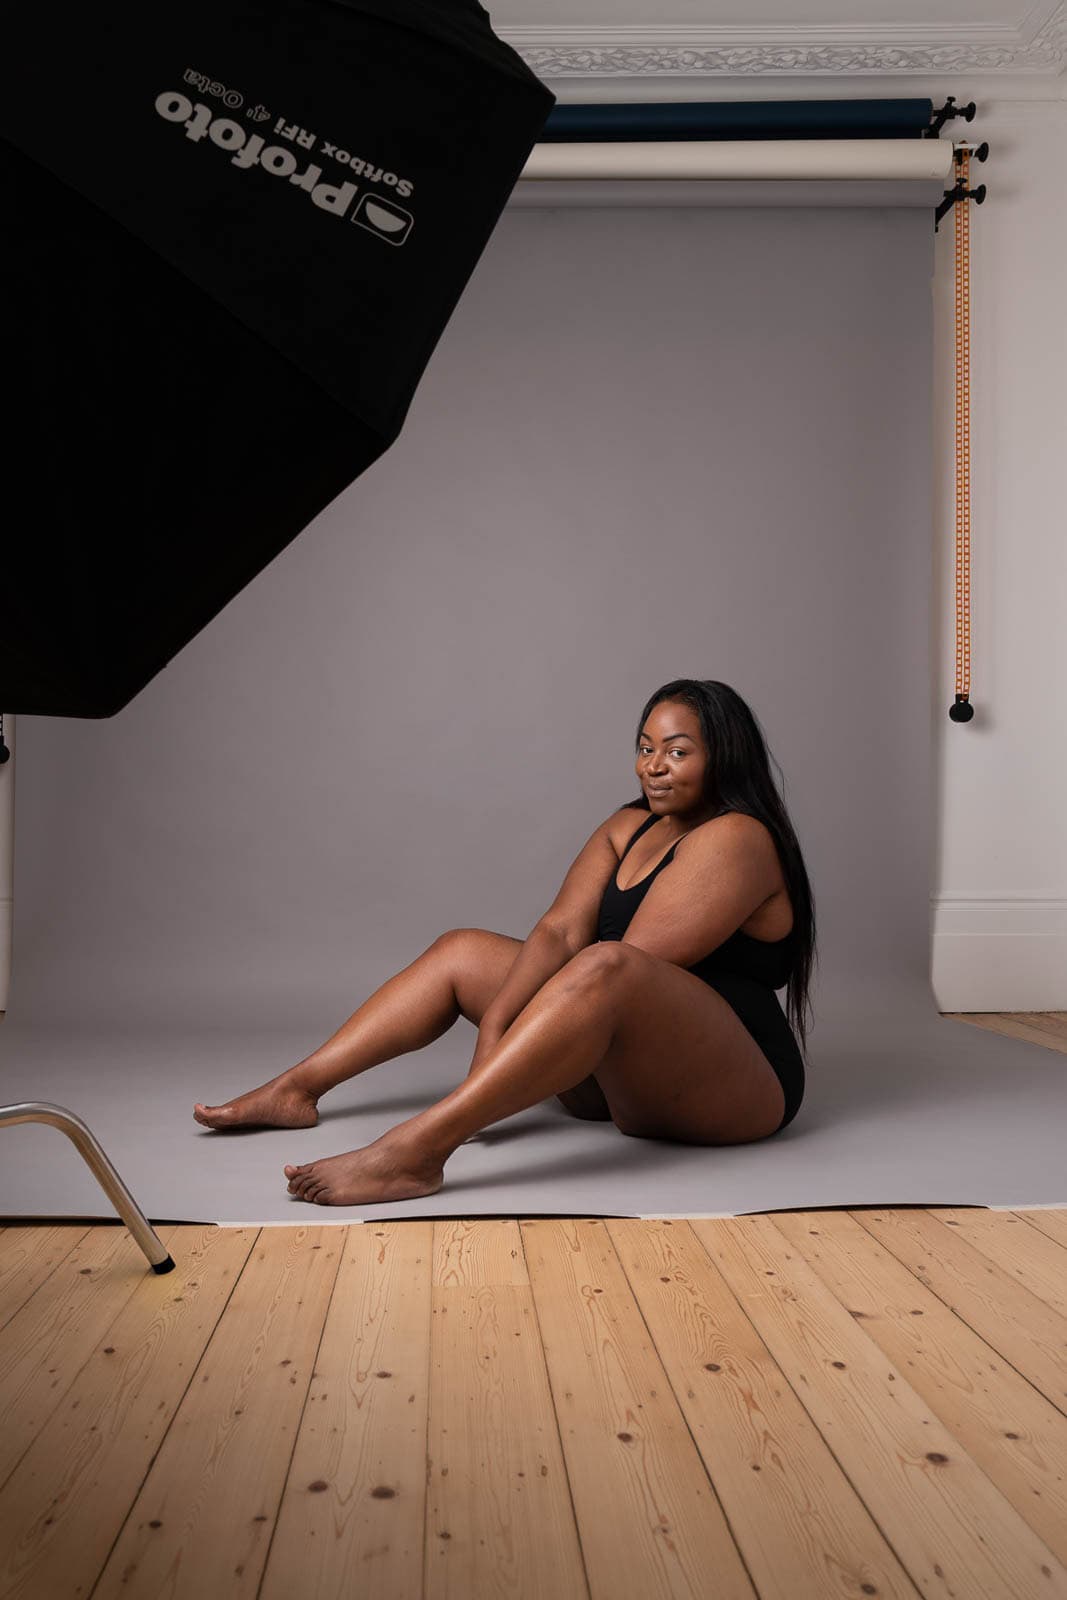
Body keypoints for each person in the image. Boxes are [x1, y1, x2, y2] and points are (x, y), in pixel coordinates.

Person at [193, 677, 817, 1206]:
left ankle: (417, 1151)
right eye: (645, 747)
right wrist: (494, 1026)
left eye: (677, 753)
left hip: (733, 1086)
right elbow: (559, 929)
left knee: (609, 965)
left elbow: (631, 965)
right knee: (464, 949)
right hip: (616, 1072)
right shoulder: (630, 825)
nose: (652, 766)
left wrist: (502, 1051)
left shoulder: (739, 837)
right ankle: (296, 1089)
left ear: (724, 758)